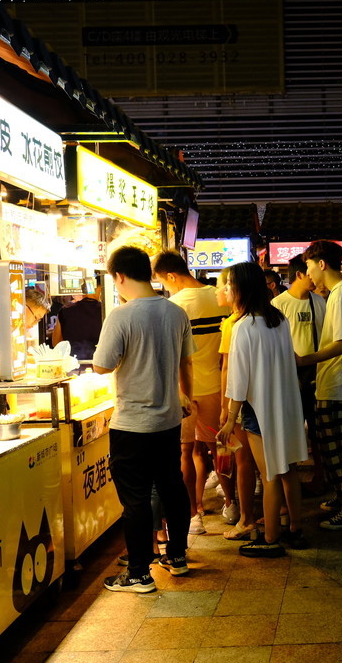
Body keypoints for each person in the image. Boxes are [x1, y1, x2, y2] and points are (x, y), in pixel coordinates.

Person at [94, 246, 194, 593]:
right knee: (172, 486)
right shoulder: (176, 312)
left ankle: (138, 573)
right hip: (168, 421)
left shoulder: (121, 316)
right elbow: (186, 362)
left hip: (133, 424)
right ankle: (178, 556)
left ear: (119, 276)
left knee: (135, 498)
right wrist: (186, 395)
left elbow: (102, 365)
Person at [217, 262, 309, 557]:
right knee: (288, 469)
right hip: (286, 405)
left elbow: (238, 381)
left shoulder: (244, 327)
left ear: (242, 288)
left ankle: (270, 539)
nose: (227, 290)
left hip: (259, 409)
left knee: (269, 474)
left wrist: (230, 420)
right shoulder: (278, 319)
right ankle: (295, 527)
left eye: (230, 284)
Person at [153, 250, 238, 540]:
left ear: (172, 276)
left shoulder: (171, 306)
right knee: (220, 448)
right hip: (216, 384)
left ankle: (193, 515)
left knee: (184, 452)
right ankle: (231, 503)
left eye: (164, 281)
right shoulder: (219, 298)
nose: (166, 287)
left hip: (183, 391)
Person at [297, 240, 342, 530]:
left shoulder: (340, 295)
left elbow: (341, 343)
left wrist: (304, 360)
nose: (309, 273)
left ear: (322, 264)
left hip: (338, 384)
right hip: (336, 383)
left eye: (310, 267)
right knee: (334, 448)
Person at [273, 254, 328, 491]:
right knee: (291, 431)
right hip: (289, 377)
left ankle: (320, 477)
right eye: (310, 273)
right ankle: (291, 481)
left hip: (317, 373)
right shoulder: (278, 305)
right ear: (299, 274)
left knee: (318, 430)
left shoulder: (320, 302)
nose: (316, 279)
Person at [216, 267, 259, 541]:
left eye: (224, 285)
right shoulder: (262, 319)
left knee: (243, 461)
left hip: (240, 400)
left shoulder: (235, 324)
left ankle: (246, 518)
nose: (220, 290)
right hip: (257, 398)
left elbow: (227, 368)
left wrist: (225, 408)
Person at [51, 285, 103, 360]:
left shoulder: (65, 310)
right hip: (99, 363)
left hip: (71, 363)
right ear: (99, 288)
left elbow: (56, 343)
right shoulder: (105, 311)